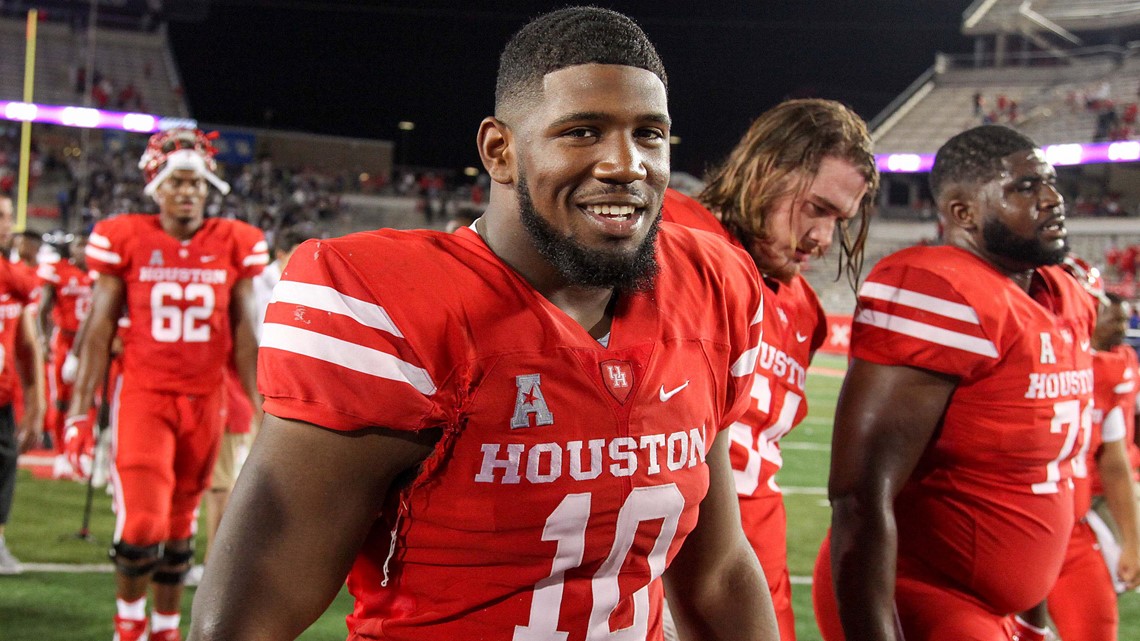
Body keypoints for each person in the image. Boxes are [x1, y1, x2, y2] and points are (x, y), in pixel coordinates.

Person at [189, 7, 778, 641]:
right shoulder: (389, 305)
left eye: (650, 134)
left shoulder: (711, 286)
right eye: (583, 131)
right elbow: (248, 616)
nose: (626, 164)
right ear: (500, 151)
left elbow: (715, 575)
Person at [812, 125, 1096, 641]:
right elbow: (858, 495)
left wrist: (1032, 618)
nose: (1053, 199)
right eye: (1025, 188)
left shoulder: (1063, 294)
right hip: (925, 595)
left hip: (1002, 607)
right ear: (963, 214)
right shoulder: (940, 291)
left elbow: (1031, 489)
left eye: (1051, 183)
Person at [661, 98, 877, 641]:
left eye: (838, 221)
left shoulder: (804, 309)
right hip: (662, 571)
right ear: (767, 169)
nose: (825, 239)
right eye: (816, 208)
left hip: (755, 570)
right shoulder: (670, 234)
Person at [64, 128, 267, 641]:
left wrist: (265, 407)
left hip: (206, 401)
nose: (188, 192)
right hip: (145, 397)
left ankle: (164, 630)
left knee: (180, 530)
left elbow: (246, 336)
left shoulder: (234, 242)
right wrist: (76, 413)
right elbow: (97, 331)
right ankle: (127, 628)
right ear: (155, 183)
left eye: (196, 184)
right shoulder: (124, 235)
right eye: (177, 181)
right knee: (143, 527)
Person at [1022, 284, 1140, 641]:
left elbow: (1113, 458)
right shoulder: (1012, 351)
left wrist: (1133, 541)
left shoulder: (1105, 367)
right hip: (1001, 525)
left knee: (1095, 627)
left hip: (1070, 524)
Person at [0, 193, 46, 575]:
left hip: (1, 398)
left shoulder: (15, 279)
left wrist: (37, 403)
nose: (5, 224)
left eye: (7, 216)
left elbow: (28, 346)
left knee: (3, 467)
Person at [36, 232, 93, 477]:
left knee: (92, 400)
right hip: (64, 341)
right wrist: (41, 339)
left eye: (86, 245)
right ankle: (61, 453)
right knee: (61, 400)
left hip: (91, 343)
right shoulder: (58, 271)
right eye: (78, 244)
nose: (82, 250)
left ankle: (85, 451)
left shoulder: (101, 273)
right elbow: (42, 309)